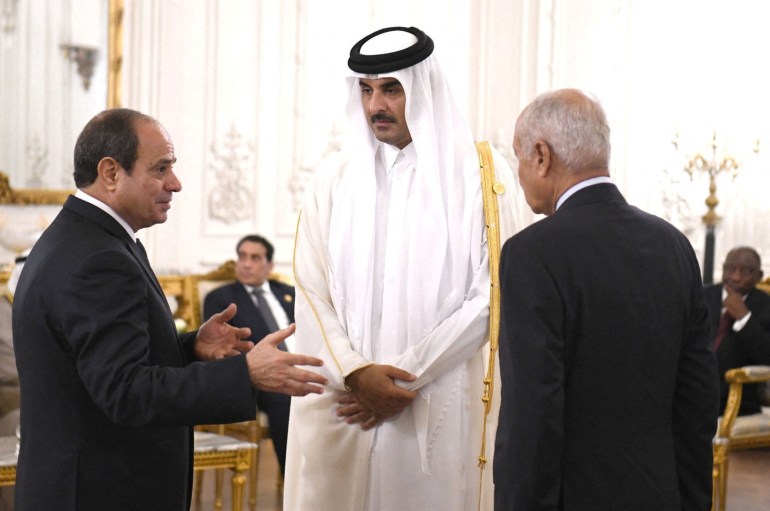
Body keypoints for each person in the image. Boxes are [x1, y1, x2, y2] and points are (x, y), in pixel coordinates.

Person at [11, 108, 328, 511]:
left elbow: (96, 364)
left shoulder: (81, 238)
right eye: (161, 169)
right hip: (101, 492)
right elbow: (126, 392)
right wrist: (244, 372)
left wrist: (191, 346)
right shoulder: (99, 258)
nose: (175, 184)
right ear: (111, 173)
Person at [284, 26, 519, 511]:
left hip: (434, 400)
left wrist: (401, 378)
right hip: (345, 401)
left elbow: (492, 292)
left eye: (391, 88)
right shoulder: (334, 177)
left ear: (422, 87)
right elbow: (310, 288)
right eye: (366, 90)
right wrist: (354, 373)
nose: (376, 105)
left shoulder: (479, 174)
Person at [494, 89, 719, 510]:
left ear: (541, 156)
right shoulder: (673, 245)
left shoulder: (532, 253)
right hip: (661, 494)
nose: (520, 173)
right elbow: (698, 402)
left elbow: (532, 415)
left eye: (519, 158)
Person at [203, 234, 295, 474]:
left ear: (270, 266)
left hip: (304, 367)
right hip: (259, 375)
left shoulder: (289, 293)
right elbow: (220, 349)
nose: (246, 263)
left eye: (255, 258)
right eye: (242, 256)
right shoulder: (221, 298)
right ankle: (294, 482)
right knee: (285, 399)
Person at [706, 246, 770, 415]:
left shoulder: (766, 305)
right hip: (690, 391)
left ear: (759, 276)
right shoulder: (701, 297)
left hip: (737, 401)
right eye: (730, 269)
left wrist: (744, 318)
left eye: (746, 271)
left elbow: (766, 356)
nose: (735, 277)